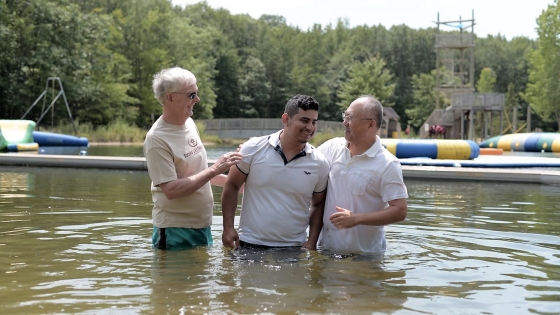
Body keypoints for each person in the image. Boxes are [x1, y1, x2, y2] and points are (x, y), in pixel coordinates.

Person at [144, 66, 243, 250]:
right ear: (170, 97)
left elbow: (198, 174)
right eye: (191, 95)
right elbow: (171, 190)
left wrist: (235, 184)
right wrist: (216, 168)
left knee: (200, 280)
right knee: (177, 280)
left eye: (196, 93)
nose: (197, 99)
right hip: (175, 231)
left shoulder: (189, 123)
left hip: (201, 227)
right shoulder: (156, 138)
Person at [221, 94, 330, 250]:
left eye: (314, 122)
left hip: (293, 248)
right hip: (249, 244)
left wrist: (312, 241)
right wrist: (228, 228)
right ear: (286, 119)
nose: (310, 127)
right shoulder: (253, 148)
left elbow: (319, 204)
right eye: (304, 121)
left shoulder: (320, 163)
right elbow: (231, 185)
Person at [317, 95, 408, 253]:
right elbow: (306, 167)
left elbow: (400, 210)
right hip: (325, 251)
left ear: (371, 124)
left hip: (364, 257)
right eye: (345, 116)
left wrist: (357, 218)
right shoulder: (332, 147)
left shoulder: (387, 164)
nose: (344, 122)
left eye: (350, 118)